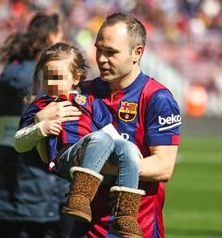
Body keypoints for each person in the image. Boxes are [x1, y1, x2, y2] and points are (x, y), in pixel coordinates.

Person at [13, 12, 181, 238]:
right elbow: (49, 155)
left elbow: (163, 167)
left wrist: (93, 162)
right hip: (86, 225)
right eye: (99, 49)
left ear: (137, 53)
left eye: (111, 52)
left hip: (137, 227)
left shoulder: (157, 97)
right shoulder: (83, 92)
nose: (101, 58)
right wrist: (39, 121)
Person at [14, 42, 145, 238]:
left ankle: (125, 215)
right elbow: (19, 143)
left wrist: (131, 153)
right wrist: (40, 127)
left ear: (75, 78)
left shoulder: (89, 101)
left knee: (127, 146)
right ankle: (79, 197)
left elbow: (109, 130)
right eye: (47, 77)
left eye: (58, 78)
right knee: (99, 138)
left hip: (99, 158)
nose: (51, 83)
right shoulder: (41, 105)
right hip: (68, 159)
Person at [0, 12, 74, 238]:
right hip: (41, 203)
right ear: (53, 39)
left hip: (0, 202)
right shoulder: (46, 88)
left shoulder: (0, 87)